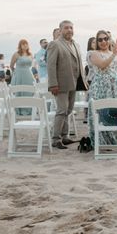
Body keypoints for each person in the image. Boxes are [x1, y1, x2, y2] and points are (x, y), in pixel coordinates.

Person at [47, 20, 88, 149]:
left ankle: (64, 136)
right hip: (60, 84)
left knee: (69, 110)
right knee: (61, 111)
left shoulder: (75, 44)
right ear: (60, 30)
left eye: (71, 28)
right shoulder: (55, 44)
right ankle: (55, 138)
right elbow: (51, 65)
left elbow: (80, 64)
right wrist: (53, 84)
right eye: (66, 28)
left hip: (74, 82)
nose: (69, 30)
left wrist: (84, 80)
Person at [88, 29, 117, 146]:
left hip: (116, 87)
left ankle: (115, 140)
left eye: (105, 39)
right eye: (100, 40)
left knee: (115, 111)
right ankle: (102, 142)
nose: (103, 41)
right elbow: (103, 66)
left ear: (109, 40)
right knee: (102, 113)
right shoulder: (94, 54)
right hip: (101, 87)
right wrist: (114, 54)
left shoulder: (114, 53)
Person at [10, 39, 36, 115]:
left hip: (28, 74)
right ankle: (19, 110)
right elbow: (11, 66)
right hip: (19, 74)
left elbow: (32, 65)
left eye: (26, 44)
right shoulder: (16, 54)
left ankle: (28, 109)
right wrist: (16, 73)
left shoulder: (30, 54)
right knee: (19, 91)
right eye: (23, 44)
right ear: (20, 46)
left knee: (29, 91)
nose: (25, 45)